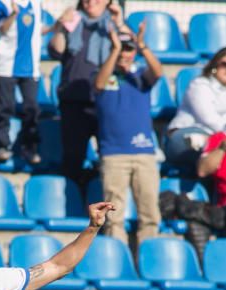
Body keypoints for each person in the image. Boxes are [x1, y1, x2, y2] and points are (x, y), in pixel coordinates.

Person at [94, 26, 161, 259]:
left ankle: (148, 259)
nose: (125, 53)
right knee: (114, 214)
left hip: (144, 152)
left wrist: (141, 45)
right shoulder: (104, 73)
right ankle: (118, 260)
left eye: (128, 49)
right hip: (114, 154)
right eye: (123, 48)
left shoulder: (141, 76)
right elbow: (100, 85)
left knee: (150, 210)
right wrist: (114, 51)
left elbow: (158, 72)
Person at [48, 0, 124, 185]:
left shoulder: (113, 24)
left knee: (111, 159)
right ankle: (73, 202)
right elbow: (56, 50)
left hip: (105, 101)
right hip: (74, 101)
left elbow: (131, 52)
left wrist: (119, 22)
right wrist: (60, 26)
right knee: (73, 158)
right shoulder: (74, 22)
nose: (91, 2)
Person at [159, 130, 226, 262]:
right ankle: (205, 269)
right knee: (196, 222)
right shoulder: (219, 138)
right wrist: (222, 148)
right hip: (222, 211)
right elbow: (202, 170)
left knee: (192, 211)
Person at [0, 0, 44, 164]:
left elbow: (37, 30)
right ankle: (2, 146)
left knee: (32, 108)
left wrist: (57, 26)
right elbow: (2, 28)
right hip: (7, 64)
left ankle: (30, 147)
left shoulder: (36, 4)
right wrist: (14, 14)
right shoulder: (5, 3)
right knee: (5, 107)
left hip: (30, 66)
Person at [165, 48, 226, 176]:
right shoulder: (199, 85)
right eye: (224, 65)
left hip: (215, 138)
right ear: (214, 65)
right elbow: (209, 120)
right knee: (215, 152)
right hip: (185, 136)